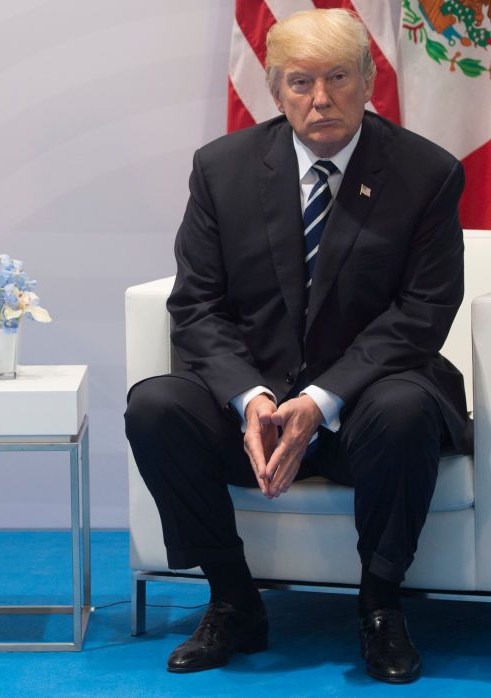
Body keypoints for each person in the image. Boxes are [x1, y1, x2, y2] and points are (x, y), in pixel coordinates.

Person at [124, 8, 467, 685]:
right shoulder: (222, 170)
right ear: (276, 91)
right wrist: (252, 399)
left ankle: (379, 606)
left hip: (366, 403)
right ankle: (233, 598)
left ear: (369, 81)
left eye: (338, 77)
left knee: (405, 409)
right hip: (255, 407)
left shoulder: (425, 174)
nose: (321, 99)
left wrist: (318, 399)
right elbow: (196, 305)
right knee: (156, 404)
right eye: (301, 82)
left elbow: (423, 311)